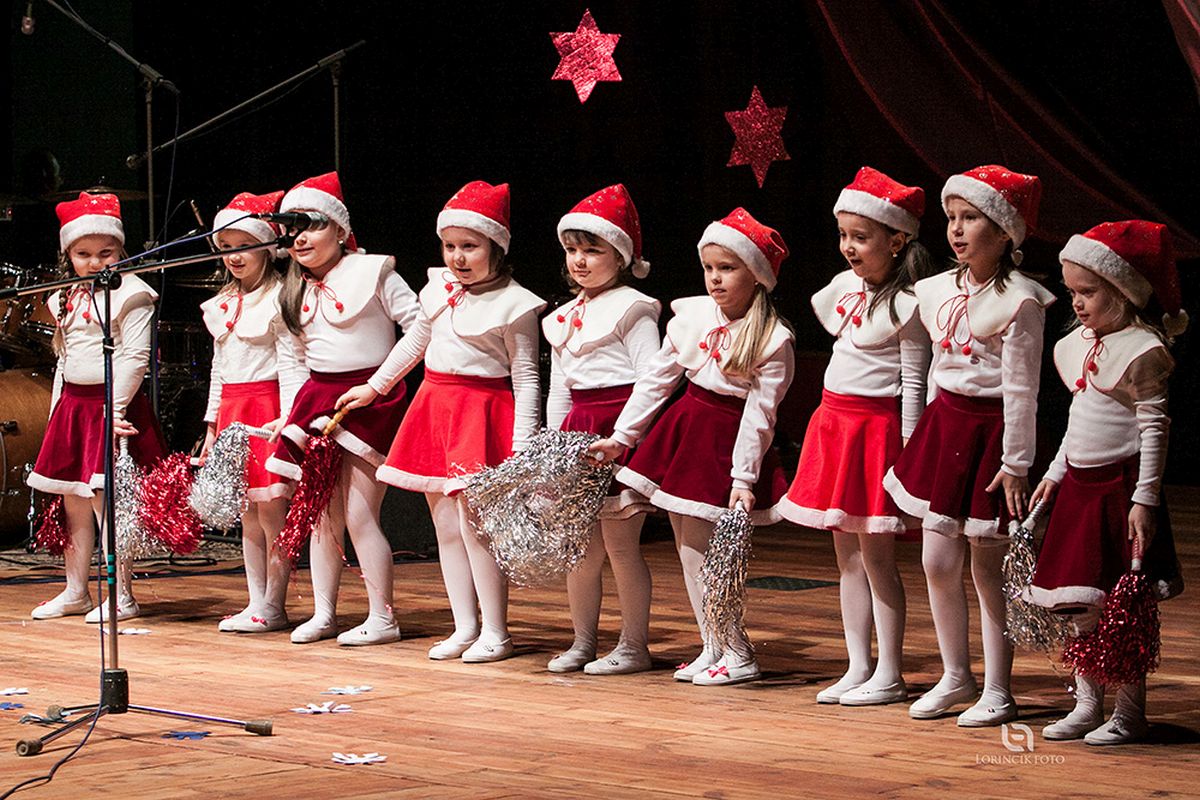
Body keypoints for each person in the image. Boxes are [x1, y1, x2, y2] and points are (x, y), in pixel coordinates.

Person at [338, 181, 545, 663]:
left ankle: (496, 631)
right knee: (446, 526)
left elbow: (527, 377)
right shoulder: (440, 289)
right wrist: (375, 387)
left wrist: (522, 448)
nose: (457, 257)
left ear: (496, 248)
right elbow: (415, 342)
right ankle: (465, 626)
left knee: (477, 528)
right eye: (449, 246)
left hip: (481, 413)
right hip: (435, 407)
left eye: (470, 246)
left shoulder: (516, 304)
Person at [591, 208, 794, 686]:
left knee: (707, 553)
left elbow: (760, 416)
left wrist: (743, 477)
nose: (715, 278)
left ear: (756, 275)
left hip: (722, 443)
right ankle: (713, 645)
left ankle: (737, 651)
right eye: (709, 267)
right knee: (688, 548)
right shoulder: (693, 317)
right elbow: (657, 380)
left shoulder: (773, 339)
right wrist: (623, 436)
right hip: (687, 427)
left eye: (728, 268)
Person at [884, 165, 1054, 725]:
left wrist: (1016, 463)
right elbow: (936, 368)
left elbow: (1022, 391)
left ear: (1004, 233)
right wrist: (920, 438)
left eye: (971, 219)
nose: (956, 230)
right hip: (946, 427)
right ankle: (956, 674)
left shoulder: (1021, 301)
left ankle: (998, 688)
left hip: (991, 435)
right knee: (935, 560)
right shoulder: (936, 290)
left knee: (988, 568)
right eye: (952, 218)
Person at [777, 167, 937, 705]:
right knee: (846, 558)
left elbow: (914, 383)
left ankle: (889, 672)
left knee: (877, 559)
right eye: (843, 235)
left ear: (896, 240)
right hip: (835, 425)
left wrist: (908, 456)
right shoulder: (845, 289)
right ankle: (858, 665)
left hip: (875, 434)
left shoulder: (909, 303)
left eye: (861, 237)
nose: (848, 247)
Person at [1028, 220, 1186, 745]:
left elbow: (1154, 428)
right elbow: (1080, 420)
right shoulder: (1082, 344)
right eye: (1072, 291)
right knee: (1081, 603)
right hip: (1079, 488)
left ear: (1122, 292)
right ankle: (1087, 703)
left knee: (1124, 608)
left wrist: (1145, 498)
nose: (1076, 302)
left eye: (1088, 292)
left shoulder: (1141, 350)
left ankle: (1129, 711)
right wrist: (1055, 473)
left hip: (1120, 491)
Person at [266, 172, 420, 646]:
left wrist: (377, 385)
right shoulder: (293, 287)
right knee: (320, 512)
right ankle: (324, 613)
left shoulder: (374, 272)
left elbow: (421, 326)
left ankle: (383, 616)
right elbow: (293, 358)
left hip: (371, 400)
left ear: (339, 229)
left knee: (359, 511)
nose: (300, 238)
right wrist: (291, 411)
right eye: (292, 229)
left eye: (311, 226)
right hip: (318, 399)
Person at [27, 191, 166, 621]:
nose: (94, 263)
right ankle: (76, 590)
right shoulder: (65, 296)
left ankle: (122, 594)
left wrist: (115, 410)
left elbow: (135, 358)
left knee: (108, 502)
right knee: (73, 501)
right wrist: (57, 410)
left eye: (105, 253)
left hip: (111, 406)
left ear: (120, 251)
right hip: (74, 407)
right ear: (68, 255)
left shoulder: (133, 294)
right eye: (83, 254)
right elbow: (64, 359)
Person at [544, 184, 660, 675]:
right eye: (572, 250)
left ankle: (634, 645)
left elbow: (652, 378)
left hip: (617, 431)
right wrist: (551, 449)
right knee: (581, 549)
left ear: (620, 256)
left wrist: (625, 436)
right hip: (578, 431)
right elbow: (560, 389)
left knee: (620, 546)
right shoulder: (562, 318)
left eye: (592, 250)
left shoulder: (633, 308)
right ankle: (583, 641)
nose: (580, 260)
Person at [201, 190, 307, 632]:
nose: (234, 256)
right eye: (226, 247)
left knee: (271, 512)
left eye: (244, 245)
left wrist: (289, 416)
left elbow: (291, 363)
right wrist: (211, 425)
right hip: (232, 413)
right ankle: (255, 600)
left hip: (266, 410)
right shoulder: (223, 303)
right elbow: (219, 368)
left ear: (267, 246)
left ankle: (275, 604)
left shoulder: (280, 297)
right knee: (247, 513)